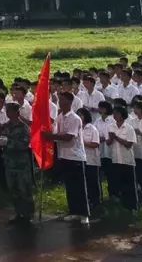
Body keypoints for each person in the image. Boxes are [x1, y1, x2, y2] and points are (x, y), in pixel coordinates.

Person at [44, 90, 90, 223]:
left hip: (75, 156)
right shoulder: (59, 117)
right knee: (70, 186)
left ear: (70, 102)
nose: (61, 102)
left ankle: (84, 213)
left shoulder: (75, 118)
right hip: (64, 155)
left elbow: (69, 136)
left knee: (80, 186)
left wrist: (51, 136)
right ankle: (73, 211)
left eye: (63, 100)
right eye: (59, 100)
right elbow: (54, 130)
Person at [0, 102, 35, 225]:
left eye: (10, 111)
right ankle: (18, 212)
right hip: (9, 161)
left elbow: (24, 144)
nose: (8, 113)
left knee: (24, 188)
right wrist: (1, 142)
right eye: (7, 111)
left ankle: (28, 213)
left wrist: (8, 142)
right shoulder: (5, 126)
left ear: (17, 113)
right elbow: (1, 138)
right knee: (13, 188)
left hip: (21, 163)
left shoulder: (23, 127)